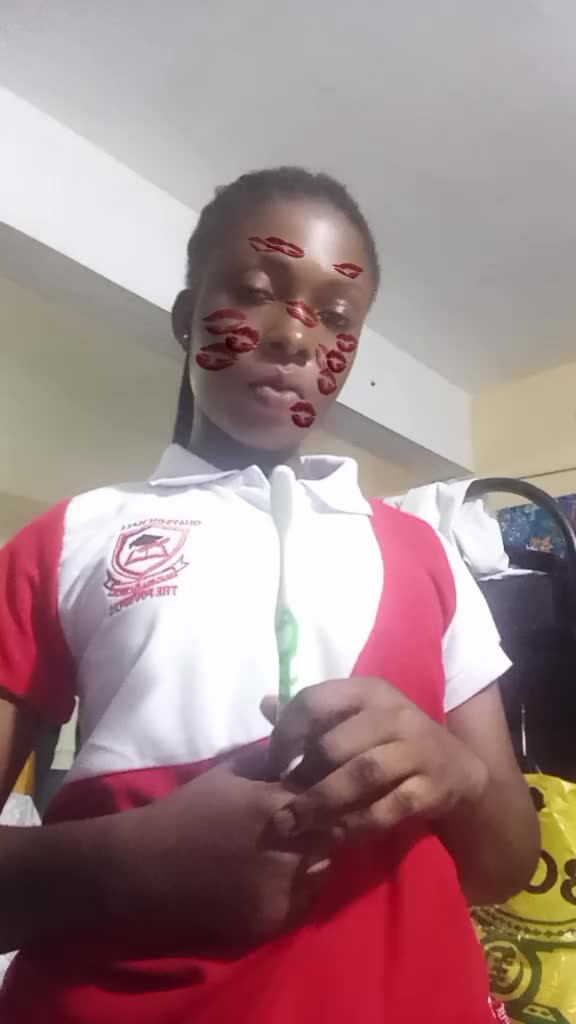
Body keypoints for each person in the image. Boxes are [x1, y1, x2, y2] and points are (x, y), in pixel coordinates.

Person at [0, 167, 539, 1023]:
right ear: (187, 316)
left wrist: (457, 774)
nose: (295, 335)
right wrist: (131, 864)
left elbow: (504, 865)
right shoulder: (67, 540)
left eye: (337, 317)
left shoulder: (426, 551)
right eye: (256, 292)